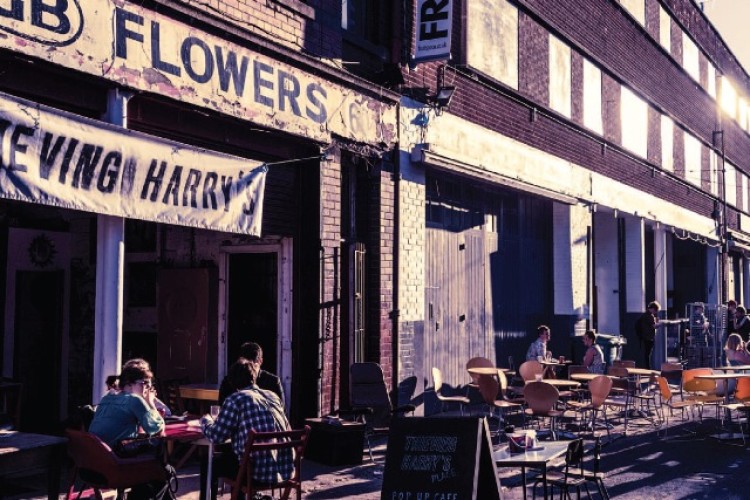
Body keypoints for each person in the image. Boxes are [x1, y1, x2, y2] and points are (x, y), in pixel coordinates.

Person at [200, 358, 292, 500]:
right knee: (239, 456)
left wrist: (206, 420)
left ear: (232, 382)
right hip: (285, 470)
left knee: (210, 461)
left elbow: (216, 436)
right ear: (254, 377)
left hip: (255, 474)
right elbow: (287, 428)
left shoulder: (235, 399)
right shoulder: (272, 396)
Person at [88, 363, 170, 499]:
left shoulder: (107, 398)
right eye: (144, 383)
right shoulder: (135, 400)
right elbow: (156, 427)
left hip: (93, 465)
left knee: (158, 467)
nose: (148, 388)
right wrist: (150, 402)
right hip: (115, 467)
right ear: (129, 384)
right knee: (163, 469)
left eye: (150, 385)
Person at [218, 342, 284, 406]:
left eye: (252, 365)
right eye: (246, 365)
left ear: (260, 361)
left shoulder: (272, 381)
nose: (250, 368)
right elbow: (221, 406)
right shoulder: (230, 380)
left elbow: (282, 410)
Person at [635, 301, 660, 369]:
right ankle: (648, 368)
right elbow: (654, 326)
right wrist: (659, 324)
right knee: (648, 354)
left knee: (646, 354)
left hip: (644, 337)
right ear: (653, 309)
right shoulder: (650, 316)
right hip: (649, 337)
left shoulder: (644, 315)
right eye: (656, 310)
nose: (655, 312)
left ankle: (647, 367)